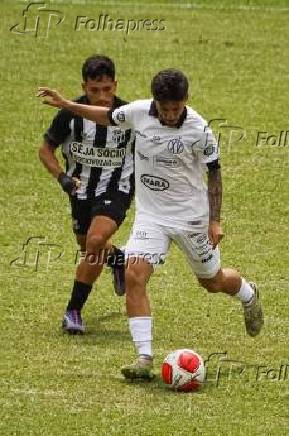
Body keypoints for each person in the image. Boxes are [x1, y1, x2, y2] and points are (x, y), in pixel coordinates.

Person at [37, 68, 264, 378]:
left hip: (190, 218)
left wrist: (215, 220)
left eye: (176, 107)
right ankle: (144, 358)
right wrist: (67, 104)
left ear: (186, 99)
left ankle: (249, 294)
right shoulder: (138, 112)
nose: (170, 114)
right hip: (152, 216)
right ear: (155, 101)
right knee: (134, 274)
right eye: (164, 107)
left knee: (211, 282)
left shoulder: (199, 129)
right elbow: (105, 116)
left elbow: (215, 174)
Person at [38, 55, 134, 334]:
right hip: (80, 191)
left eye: (107, 89)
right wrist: (62, 177)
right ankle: (118, 259)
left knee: (95, 241)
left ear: (115, 84)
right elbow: (45, 150)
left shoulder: (128, 115)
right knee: (89, 248)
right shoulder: (69, 114)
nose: (102, 97)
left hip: (117, 188)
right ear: (84, 86)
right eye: (94, 90)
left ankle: (73, 310)